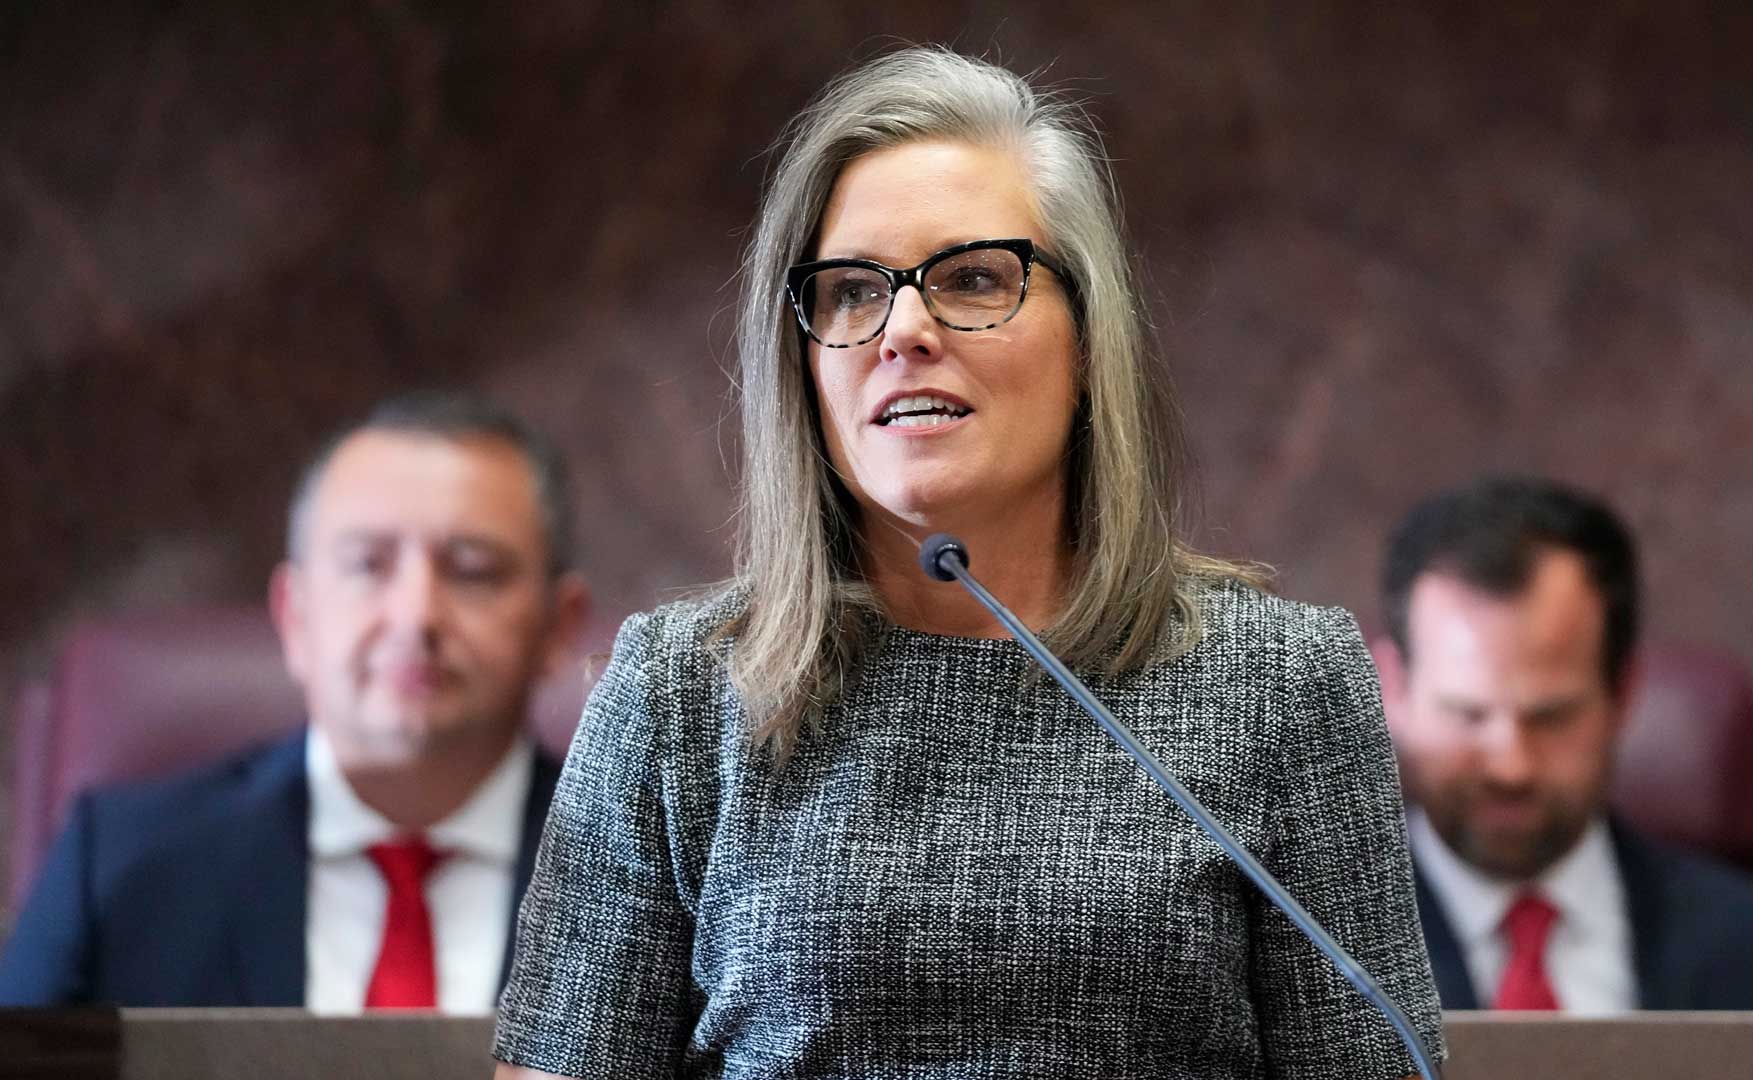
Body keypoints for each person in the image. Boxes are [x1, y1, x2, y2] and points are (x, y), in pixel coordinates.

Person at [492, 47, 1442, 1080]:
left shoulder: (1285, 683)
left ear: (1090, 339)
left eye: (974, 279)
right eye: (852, 291)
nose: (903, 329)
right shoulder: (676, 688)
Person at [0, 392, 590, 1013]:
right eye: (367, 564)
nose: (415, 616)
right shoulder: (123, 863)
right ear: (294, 616)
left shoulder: (642, 875)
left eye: (472, 570)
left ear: (558, 625)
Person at [1374, 475, 1753, 1012]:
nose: (1511, 766)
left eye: (1552, 717)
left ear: (1623, 693)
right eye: (1467, 714)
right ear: (1393, 689)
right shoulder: (1294, 958)